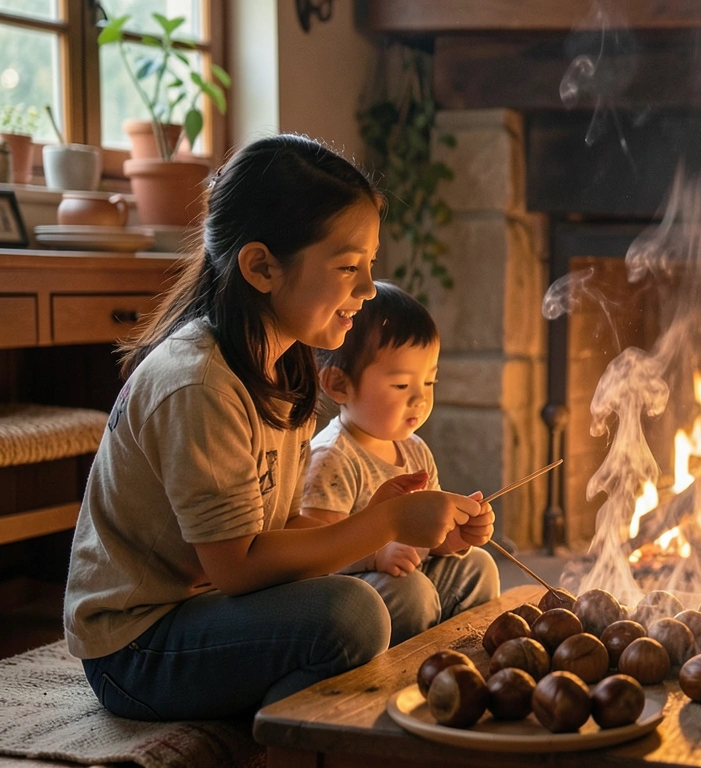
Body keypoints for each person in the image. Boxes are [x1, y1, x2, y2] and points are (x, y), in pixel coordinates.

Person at [63, 135, 494, 721]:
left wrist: (387, 521)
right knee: (355, 615)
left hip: (222, 606)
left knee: (464, 574)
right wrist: (381, 523)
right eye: (348, 267)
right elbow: (236, 567)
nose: (369, 290)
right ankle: (289, 741)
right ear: (262, 267)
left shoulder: (285, 364)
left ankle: (364, 703)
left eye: (370, 266)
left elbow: (279, 526)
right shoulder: (200, 385)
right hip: (139, 646)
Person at [302, 280, 499, 646]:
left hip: (411, 573)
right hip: (355, 593)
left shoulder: (415, 450)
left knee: (478, 567)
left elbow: (429, 540)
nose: (420, 400)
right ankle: (406, 666)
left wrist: (457, 536)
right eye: (400, 386)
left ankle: (456, 652)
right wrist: (375, 554)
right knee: (414, 594)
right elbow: (313, 556)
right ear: (339, 384)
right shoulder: (331, 458)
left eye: (428, 382)